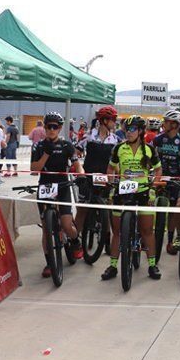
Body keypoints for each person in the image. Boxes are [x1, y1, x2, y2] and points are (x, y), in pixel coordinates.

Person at [102, 116, 163, 281]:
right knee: (117, 233)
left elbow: (158, 171)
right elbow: (110, 168)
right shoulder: (118, 148)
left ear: (141, 131)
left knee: (147, 231)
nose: (128, 132)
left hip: (143, 191)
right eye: (126, 129)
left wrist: (153, 189)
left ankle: (152, 265)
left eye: (132, 129)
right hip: (122, 192)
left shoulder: (150, 149)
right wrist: (111, 185)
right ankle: (113, 266)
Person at [31, 112, 84, 278]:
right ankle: (49, 262)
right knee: (46, 229)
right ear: (44, 127)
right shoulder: (38, 146)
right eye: (48, 126)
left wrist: (81, 176)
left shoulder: (67, 145)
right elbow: (34, 169)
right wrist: (46, 154)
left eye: (55, 127)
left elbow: (77, 165)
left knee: (67, 225)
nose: (51, 130)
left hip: (62, 186)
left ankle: (75, 241)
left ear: (60, 128)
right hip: (45, 185)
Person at [75, 106, 120, 256]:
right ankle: (74, 241)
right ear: (105, 121)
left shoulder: (115, 140)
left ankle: (107, 240)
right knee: (82, 209)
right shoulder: (89, 136)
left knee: (107, 209)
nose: (115, 122)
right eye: (113, 119)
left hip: (105, 179)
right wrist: (78, 169)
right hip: (87, 177)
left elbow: (118, 162)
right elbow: (76, 153)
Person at [155, 110, 180, 255]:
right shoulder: (158, 139)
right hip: (160, 178)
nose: (164, 123)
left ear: (175, 125)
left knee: (174, 211)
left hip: (176, 180)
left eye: (167, 121)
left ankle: (170, 240)